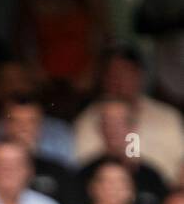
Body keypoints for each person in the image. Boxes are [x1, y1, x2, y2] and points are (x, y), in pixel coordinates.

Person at [72, 45, 184, 184]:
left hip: (160, 195)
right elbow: (83, 165)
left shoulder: (168, 117)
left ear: (139, 75)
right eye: (112, 74)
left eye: (125, 73)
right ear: (103, 78)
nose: (118, 81)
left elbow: (180, 165)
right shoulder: (88, 119)